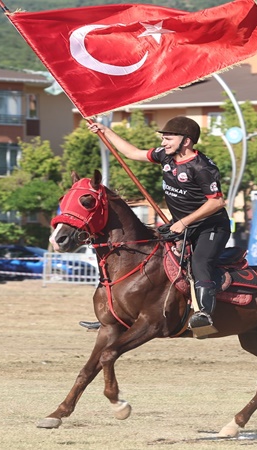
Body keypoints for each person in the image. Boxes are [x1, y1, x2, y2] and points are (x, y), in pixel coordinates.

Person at [88, 116, 231, 334]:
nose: (164, 143)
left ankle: (204, 316)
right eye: (163, 138)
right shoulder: (166, 156)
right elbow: (132, 153)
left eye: (168, 138)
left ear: (186, 141)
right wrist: (105, 131)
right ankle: (122, 314)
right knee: (149, 256)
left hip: (211, 228)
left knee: (200, 263)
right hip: (180, 226)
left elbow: (217, 201)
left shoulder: (202, 167)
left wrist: (184, 221)